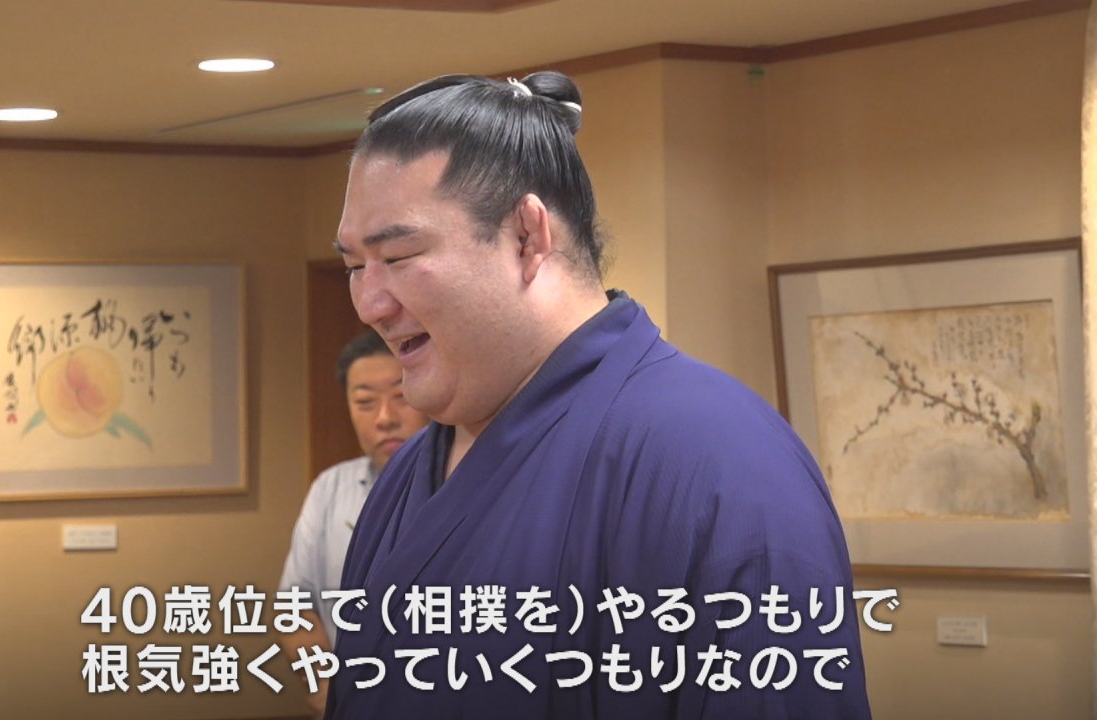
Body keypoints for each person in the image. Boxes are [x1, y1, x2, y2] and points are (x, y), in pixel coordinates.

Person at [327, 72, 872, 719]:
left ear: (527, 237)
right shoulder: (405, 478)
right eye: (354, 267)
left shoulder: (720, 462)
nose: (369, 304)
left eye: (397, 257)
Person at [277, 329, 429, 718]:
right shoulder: (329, 488)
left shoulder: (468, 480)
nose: (385, 419)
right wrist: (327, 693)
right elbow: (294, 606)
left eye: (401, 396)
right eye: (365, 402)